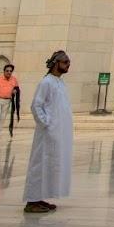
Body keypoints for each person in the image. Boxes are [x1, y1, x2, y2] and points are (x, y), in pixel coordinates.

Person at [23, 50, 73, 213]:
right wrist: (47, 124)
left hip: (57, 133)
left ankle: (40, 198)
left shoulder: (59, 82)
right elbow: (36, 106)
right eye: (65, 63)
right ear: (56, 63)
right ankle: (31, 201)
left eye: (68, 63)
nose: (68, 66)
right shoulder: (47, 82)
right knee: (40, 165)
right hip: (47, 133)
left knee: (50, 165)